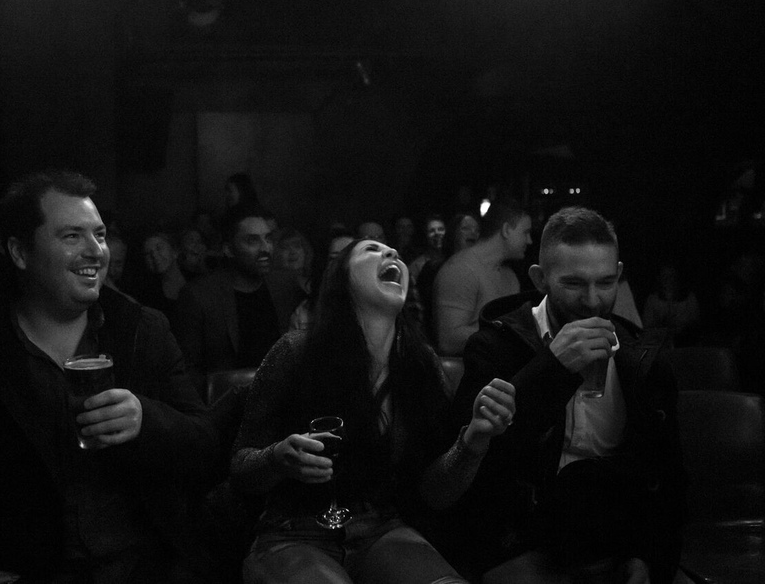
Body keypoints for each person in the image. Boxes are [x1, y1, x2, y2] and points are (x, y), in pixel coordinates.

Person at [0, 170, 218, 582]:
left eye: (98, 234)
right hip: (28, 571)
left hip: (145, 568)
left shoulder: (142, 330)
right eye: (72, 236)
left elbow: (207, 447)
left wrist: (146, 420)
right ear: (20, 254)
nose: (95, 250)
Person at [230, 237, 516, 583]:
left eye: (393, 251)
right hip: (294, 531)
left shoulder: (421, 363)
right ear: (343, 279)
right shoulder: (296, 351)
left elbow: (435, 494)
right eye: (371, 250)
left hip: (381, 527)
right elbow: (241, 469)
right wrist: (278, 458)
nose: (391, 252)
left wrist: (473, 441)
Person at [446, 206, 685, 583]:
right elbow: (468, 479)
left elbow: (666, 476)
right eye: (574, 284)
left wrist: (646, 555)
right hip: (523, 541)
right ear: (540, 279)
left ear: (619, 275)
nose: (592, 301)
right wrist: (551, 369)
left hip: (617, 540)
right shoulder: (493, 348)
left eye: (605, 283)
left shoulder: (642, 357)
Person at [175, 203, 304, 388]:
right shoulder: (199, 296)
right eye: (252, 240)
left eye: (268, 238)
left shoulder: (285, 285)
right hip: (226, 405)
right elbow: (186, 370)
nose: (265, 248)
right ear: (228, 249)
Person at [433, 201, 533, 355]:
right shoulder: (460, 270)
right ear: (506, 230)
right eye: (525, 232)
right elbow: (449, 340)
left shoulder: (510, 276)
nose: (529, 240)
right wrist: (509, 331)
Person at [642, 262, 701, 346]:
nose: (668, 279)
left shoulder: (689, 298)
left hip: (686, 343)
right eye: (664, 276)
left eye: (671, 276)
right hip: (660, 344)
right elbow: (647, 326)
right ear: (659, 278)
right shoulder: (653, 300)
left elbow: (695, 323)